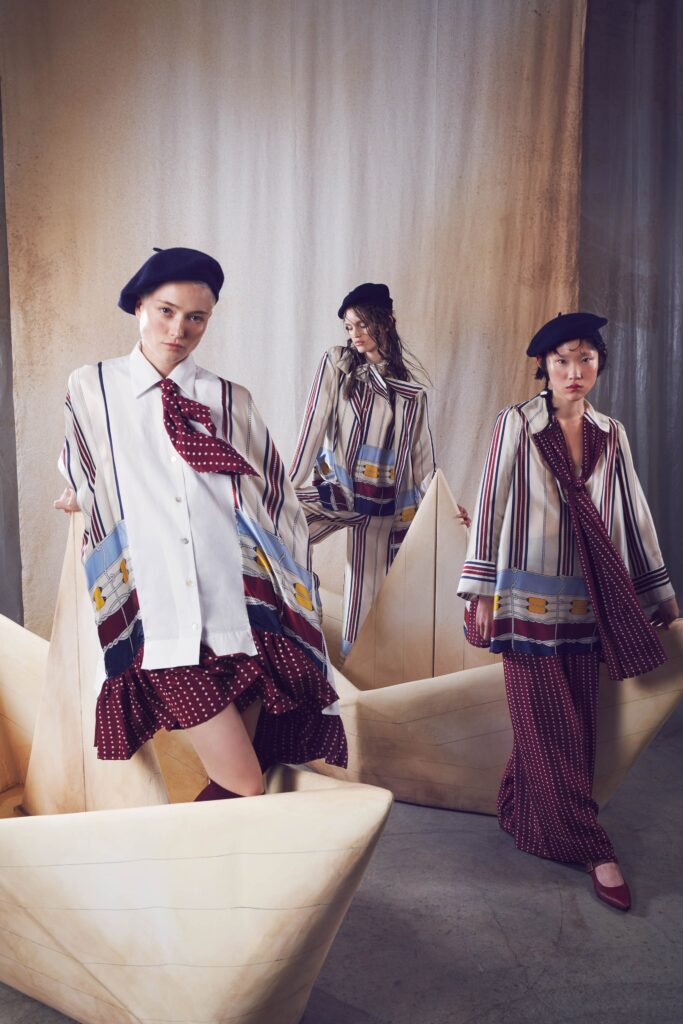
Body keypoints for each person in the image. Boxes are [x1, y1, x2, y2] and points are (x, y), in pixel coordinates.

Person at [55, 246, 347, 801]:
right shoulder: (91, 387)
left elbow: (274, 495)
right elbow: (82, 470)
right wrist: (78, 496)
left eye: (196, 317)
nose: (179, 329)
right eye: (166, 311)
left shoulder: (230, 399)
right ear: (139, 307)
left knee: (239, 781)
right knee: (245, 782)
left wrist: (340, 511)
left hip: (237, 612)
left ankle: (205, 861)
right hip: (160, 620)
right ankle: (175, 859)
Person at [457, 312, 678, 910]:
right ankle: (593, 847)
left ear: (599, 363)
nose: (574, 371)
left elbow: (632, 512)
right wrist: (480, 593)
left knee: (575, 724)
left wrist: (660, 594)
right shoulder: (516, 423)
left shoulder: (611, 432)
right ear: (544, 367)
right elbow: (490, 503)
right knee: (545, 719)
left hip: (587, 596)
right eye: (561, 360)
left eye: (585, 358)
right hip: (521, 597)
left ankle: (525, 814)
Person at [290, 282, 452, 657]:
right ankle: (297, 619)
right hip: (335, 492)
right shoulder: (338, 364)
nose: (355, 335)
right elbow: (312, 427)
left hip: (380, 507)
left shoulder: (410, 393)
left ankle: (355, 669)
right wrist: (285, 487)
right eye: (349, 327)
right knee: (278, 531)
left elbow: (422, 461)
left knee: (362, 601)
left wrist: (443, 505)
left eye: (362, 324)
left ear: (387, 321)